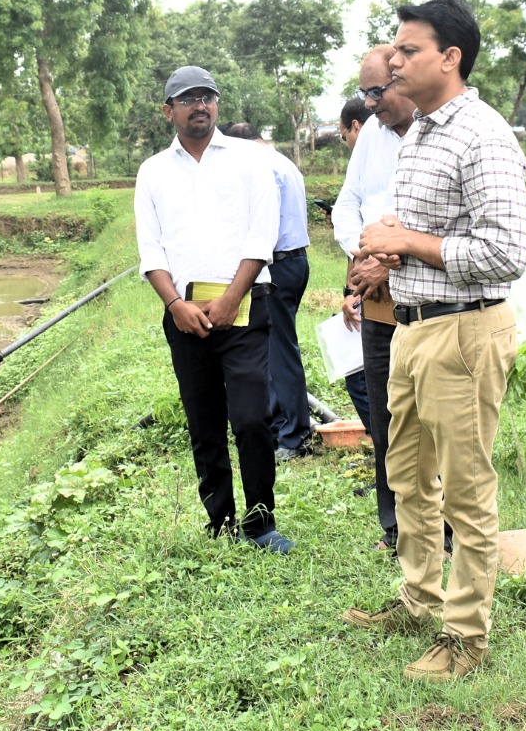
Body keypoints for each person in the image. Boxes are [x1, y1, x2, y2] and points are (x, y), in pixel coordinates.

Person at [343, 0, 526, 682]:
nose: (394, 61)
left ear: (450, 58)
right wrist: (385, 257)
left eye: (409, 49)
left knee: (465, 491)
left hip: (464, 330)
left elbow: (505, 252)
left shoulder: (482, 134)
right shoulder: (419, 131)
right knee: (408, 475)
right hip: (413, 325)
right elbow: (423, 232)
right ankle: (419, 597)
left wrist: (407, 241)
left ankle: (466, 635)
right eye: (395, 48)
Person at [134, 67, 293, 553]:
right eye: (188, 99)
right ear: (169, 111)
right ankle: (219, 521)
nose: (200, 106)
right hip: (185, 316)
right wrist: (175, 305)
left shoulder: (249, 159)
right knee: (204, 424)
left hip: (243, 310)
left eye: (207, 97)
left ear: (217, 105)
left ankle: (261, 523)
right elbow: (151, 248)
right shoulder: (153, 171)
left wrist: (231, 298)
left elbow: (261, 235)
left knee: (251, 419)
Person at [333, 43, 443, 554]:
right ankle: (395, 526)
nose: (370, 103)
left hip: (428, 295)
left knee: (433, 417)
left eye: (377, 91)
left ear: (403, 78)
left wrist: (389, 257)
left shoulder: (437, 130)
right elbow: (348, 204)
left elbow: (437, 217)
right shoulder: (371, 138)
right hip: (377, 296)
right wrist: (362, 256)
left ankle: (444, 529)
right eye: (364, 93)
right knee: (385, 417)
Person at [220, 122, 312, 462]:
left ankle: (295, 435)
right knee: (272, 348)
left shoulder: (261, 166)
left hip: (278, 265)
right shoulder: (282, 161)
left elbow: (263, 225)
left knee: (280, 351)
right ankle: (278, 426)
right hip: (294, 260)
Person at [334, 94, 374, 428]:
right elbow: (354, 238)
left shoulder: (382, 160)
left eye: (343, 134)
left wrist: (353, 292)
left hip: (383, 292)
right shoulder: (361, 167)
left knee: (362, 380)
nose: (345, 142)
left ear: (356, 127)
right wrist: (350, 291)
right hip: (364, 289)